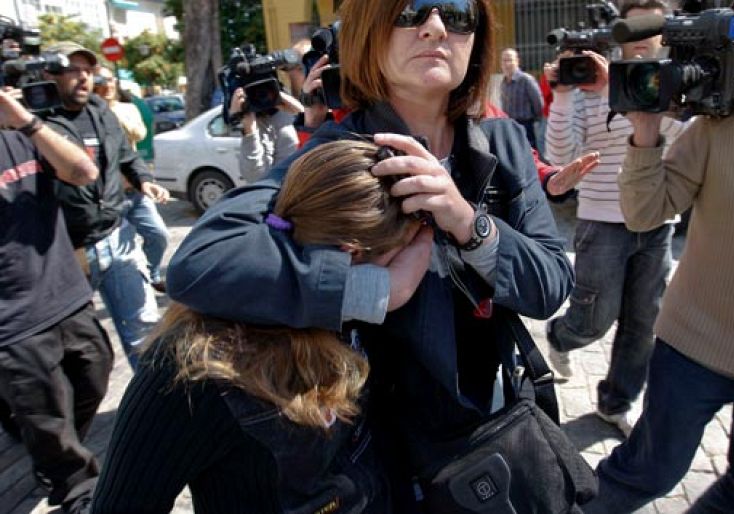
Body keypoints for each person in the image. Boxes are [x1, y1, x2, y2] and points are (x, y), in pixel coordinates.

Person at [167, 0, 574, 510]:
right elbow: (201, 260)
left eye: (457, 13)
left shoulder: (504, 143)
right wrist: (374, 289)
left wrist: (469, 223)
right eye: (409, 11)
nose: (435, 27)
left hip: (487, 426)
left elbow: (551, 285)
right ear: (367, 35)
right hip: (374, 449)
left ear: (478, 40)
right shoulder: (334, 153)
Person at [93, 140, 419, 513]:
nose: (404, 272)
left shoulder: (348, 320)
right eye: (399, 255)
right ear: (350, 254)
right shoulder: (193, 370)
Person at [582, 1, 734, 512]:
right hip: (696, 350)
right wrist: (645, 132)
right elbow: (645, 213)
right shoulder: (719, 126)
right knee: (646, 473)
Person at [543, 0, 684, 436]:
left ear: (666, 33)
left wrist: (637, 96)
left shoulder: (676, 81)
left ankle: (616, 401)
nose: (641, 36)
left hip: (657, 221)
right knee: (594, 319)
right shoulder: (588, 84)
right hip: (602, 221)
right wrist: (563, 96)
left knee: (642, 325)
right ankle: (560, 336)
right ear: (618, 32)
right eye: (633, 26)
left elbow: (684, 139)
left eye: (651, 26)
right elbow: (560, 154)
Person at [0, 88, 112, 514]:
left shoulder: (22, 135)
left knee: (93, 379)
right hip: (13, 321)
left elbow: (83, 171)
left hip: (67, 297)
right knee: (50, 427)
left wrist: (25, 120)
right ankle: (72, 487)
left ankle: (42, 439)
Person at [41, 41, 166, 368]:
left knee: (146, 333)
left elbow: (127, 156)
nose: (84, 77)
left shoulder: (100, 111)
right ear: (49, 74)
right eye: (73, 70)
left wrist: (144, 180)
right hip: (68, 253)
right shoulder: (36, 122)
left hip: (117, 238)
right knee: (80, 351)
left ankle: (150, 396)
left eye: (88, 70)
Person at [94, 65, 171, 293]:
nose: (107, 85)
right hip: (110, 196)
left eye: (110, 79)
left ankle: (152, 273)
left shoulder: (127, 108)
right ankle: (134, 286)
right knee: (119, 251)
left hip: (136, 189)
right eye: (101, 80)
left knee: (159, 234)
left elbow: (139, 134)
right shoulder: (89, 116)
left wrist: (111, 114)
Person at [228, 86, 301, 182]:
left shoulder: (287, 111)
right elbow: (255, 178)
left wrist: (300, 110)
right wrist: (249, 130)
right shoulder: (247, 121)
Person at [500, 47, 545, 152]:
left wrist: (535, 122)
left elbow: (539, 103)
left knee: (529, 155)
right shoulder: (504, 82)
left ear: (517, 61)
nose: (506, 64)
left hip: (525, 126)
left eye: (510, 60)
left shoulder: (526, 80)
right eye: (504, 60)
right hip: (509, 126)